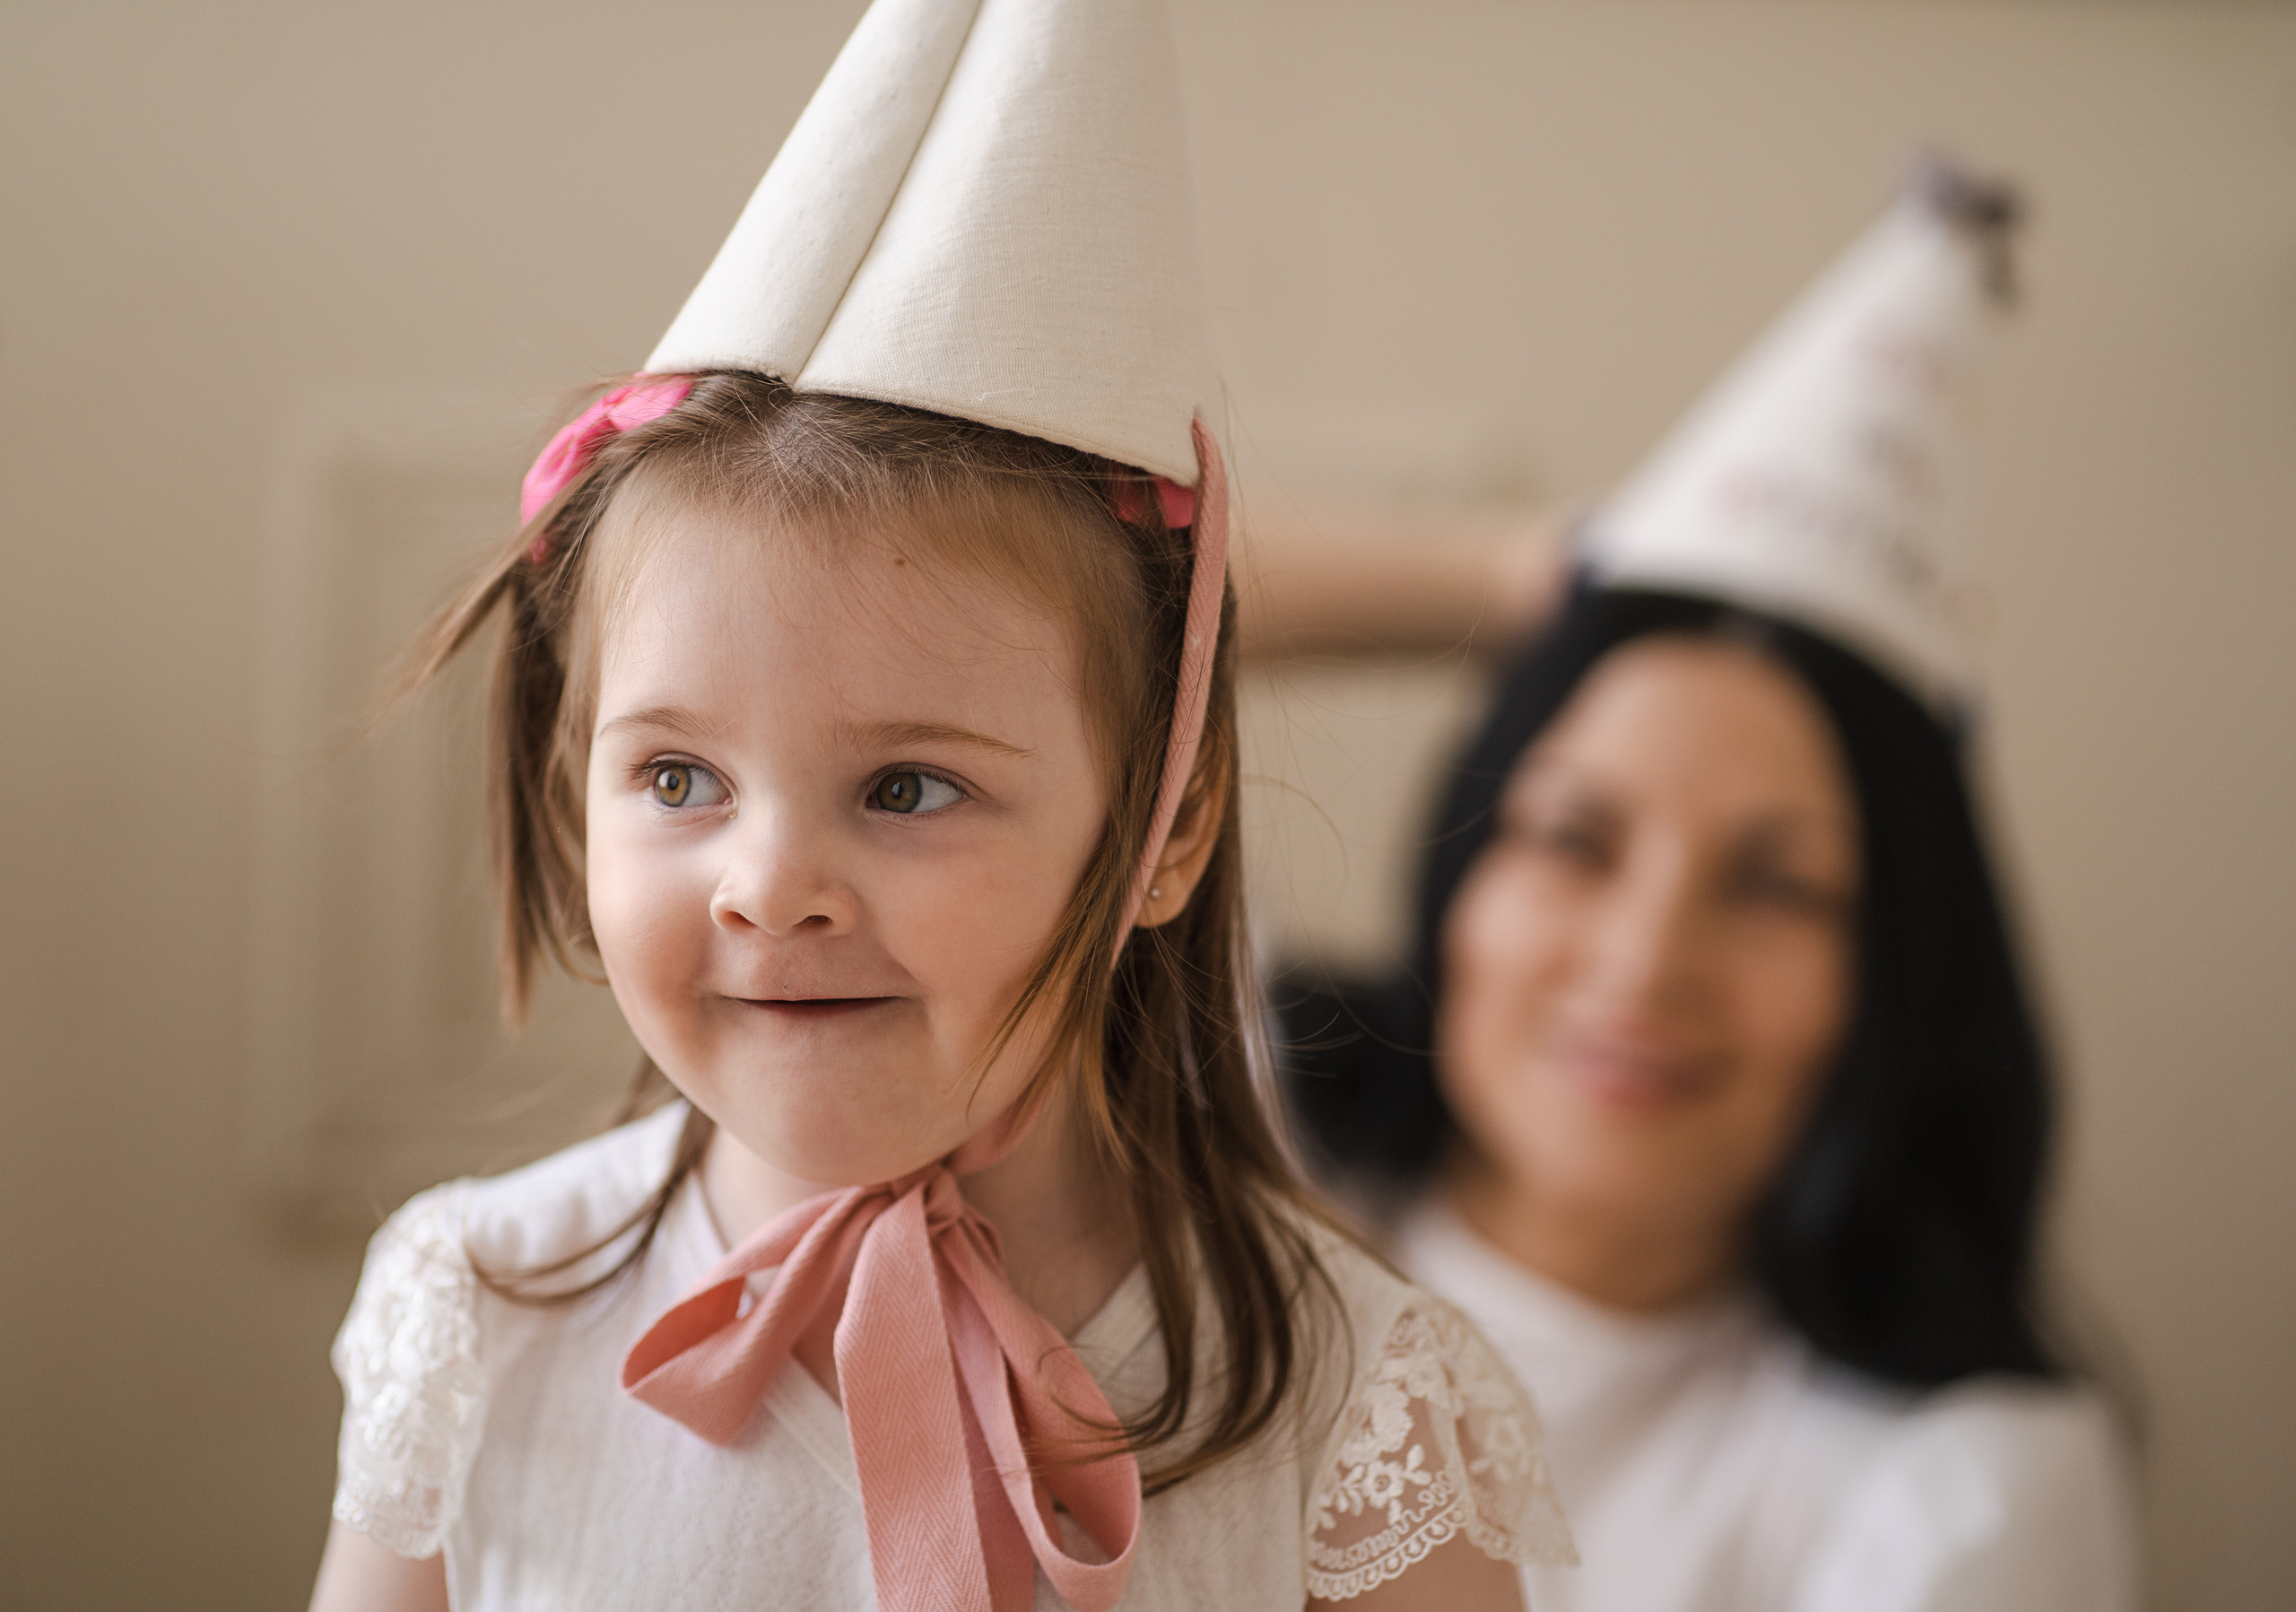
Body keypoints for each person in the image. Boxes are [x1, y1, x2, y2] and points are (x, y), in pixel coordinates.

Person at [305, 3, 1575, 1610]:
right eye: (677, 775)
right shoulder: (481, 1308)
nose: (770, 885)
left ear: (1168, 826)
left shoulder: (1351, 1411)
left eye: (908, 786)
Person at [1274, 160, 2141, 1612]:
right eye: (1576, 840)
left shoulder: (1958, 1489)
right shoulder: (1220, 1127)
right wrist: (1513, 580)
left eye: (1777, 886)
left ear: (1897, 968)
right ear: (1463, 871)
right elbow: (1020, 610)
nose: (1646, 958)